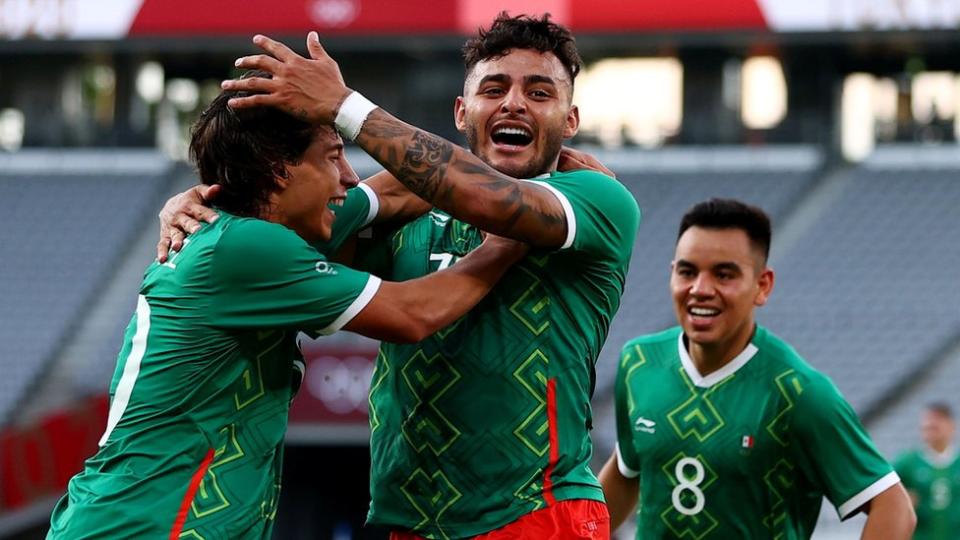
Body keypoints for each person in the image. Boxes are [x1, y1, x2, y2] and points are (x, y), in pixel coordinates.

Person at [165, 13, 640, 539]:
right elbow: (274, 222)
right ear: (462, 112)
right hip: (408, 519)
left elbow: (492, 200)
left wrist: (346, 107)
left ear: (569, 121)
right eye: (495, 88)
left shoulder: (598, 200)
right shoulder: (404, 211)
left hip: (537, 513)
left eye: (539, 92)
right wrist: (202, 204)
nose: (513, 104)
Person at [46, 72, 526, 539]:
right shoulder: (246, 247)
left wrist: (519, 168)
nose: (348, 177)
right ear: (279, 169)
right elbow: (412, 314)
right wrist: (510, 238)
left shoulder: (255, 230)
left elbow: (402, 188)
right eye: (334, 157)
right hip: (145, 524)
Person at [598, 198, 915, 539]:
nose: (700, 290)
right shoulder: (639, 363)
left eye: (724, 274)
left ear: (762, 285)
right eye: (687, 271)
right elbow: (625, 472)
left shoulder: (798, 392)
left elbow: (893, 506)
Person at [894, 402, 960, 540]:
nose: (929, 431)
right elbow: (884, 498)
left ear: (951, 426)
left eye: (935, 427)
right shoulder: (907, 462)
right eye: (926, 427)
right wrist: (901, 502)